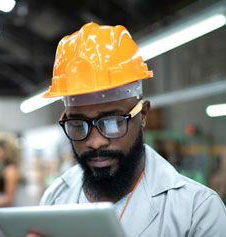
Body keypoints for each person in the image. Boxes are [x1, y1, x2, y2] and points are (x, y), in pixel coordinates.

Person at [28, 22, 226, 237]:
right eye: (77, 125)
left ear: (142, 116)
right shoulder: (56, 197)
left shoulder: (197, 212)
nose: (95, 142)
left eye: (111, 122)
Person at [0, 131, 21, 237]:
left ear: (5, 150)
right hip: (1, 212)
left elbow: (9, 198)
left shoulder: (10, 170)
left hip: (7, 213)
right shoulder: (5, 169)